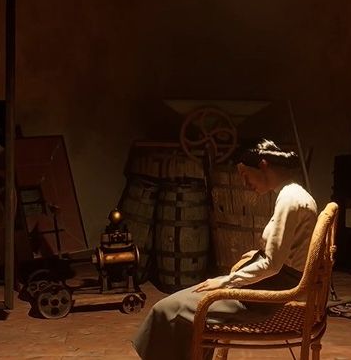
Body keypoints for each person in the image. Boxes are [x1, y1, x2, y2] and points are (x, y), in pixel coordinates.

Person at [131, 139, 319, 360]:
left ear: (263, 165)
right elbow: (282, 253)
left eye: (245, 174)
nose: (245, 182)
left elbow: (273, 264)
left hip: (265, 294)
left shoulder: (290, 200)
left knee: (168, 309)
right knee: (181, 300)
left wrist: (226, 282)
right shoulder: (294, 194)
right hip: (266, 285)